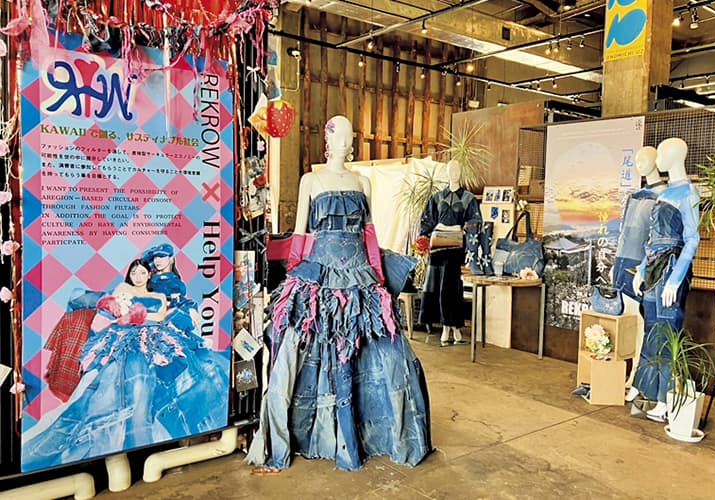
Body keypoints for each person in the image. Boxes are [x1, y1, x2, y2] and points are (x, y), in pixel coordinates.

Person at [246, 115, 431, 471]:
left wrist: (379, 279)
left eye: (349, 137)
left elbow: (370, 235)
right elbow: (301, 234)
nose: (345, 143)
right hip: (320, 271)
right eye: (339, 136)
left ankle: (379, 434)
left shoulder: (364, 182)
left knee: (386, 354)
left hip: (360, 274)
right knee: (304, 350)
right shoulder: (310, 180)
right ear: (328, 142)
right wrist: (294, 279)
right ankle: (312, 433)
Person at [22, 258, 229, 471]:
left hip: (153, 335)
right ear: (129, 274)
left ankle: (163, 434)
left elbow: (159, 316)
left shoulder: (158, 295)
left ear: (149, 275)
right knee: (118, 379)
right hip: (125, 335)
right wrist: (125, 313)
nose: (138, 276)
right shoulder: (123, 288)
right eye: (134, 272)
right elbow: (112, 308)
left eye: (142, 273)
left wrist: (141, 316)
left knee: (176, 372)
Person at [631, 138, 700, 421]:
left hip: (671, 267)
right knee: (652, 330)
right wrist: (642, 270)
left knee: (667, 331)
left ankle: (665, 397)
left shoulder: (688, 194)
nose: (657, 158)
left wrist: (676, 278)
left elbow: (692, 239)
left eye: (661, 153)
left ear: (676, 156)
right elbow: (653, 238)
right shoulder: (666, 192)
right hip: (654, 266)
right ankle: (647, 391)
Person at [608, 146, 668, 401]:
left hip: (643, 265)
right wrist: (615, 262)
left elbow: (657, 238)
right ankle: (625, 372)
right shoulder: (635, 196)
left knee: (641, 322)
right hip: (624, 261)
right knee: (626, 320)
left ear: (657, 161)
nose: (639, 164)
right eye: (636, 160)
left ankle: (637, 376)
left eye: (644, 159)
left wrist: (644, 267)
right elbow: (625, 233)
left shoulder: (664, 196)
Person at [418, 159, 484, 347]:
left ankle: (453, 327)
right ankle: (447, 328)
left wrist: (464, 231)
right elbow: (426, 220)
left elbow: (475, 222)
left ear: (461, 173)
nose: (454, 173)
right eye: (450, 170)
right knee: (437, 284)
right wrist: (424, 240)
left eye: (457, 170)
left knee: (452, 286)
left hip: (455, 245)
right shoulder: (437, 197)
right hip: (438, 244)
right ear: (446, 173)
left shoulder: (468, 198)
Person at [143, 243, 201, 334]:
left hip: (165, 319)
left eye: (162, 256)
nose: (157, 260)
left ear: (171, 259)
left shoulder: (175, 283)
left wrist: (191, 308)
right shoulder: (149, 279)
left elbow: (179, 300)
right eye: (155, 257)